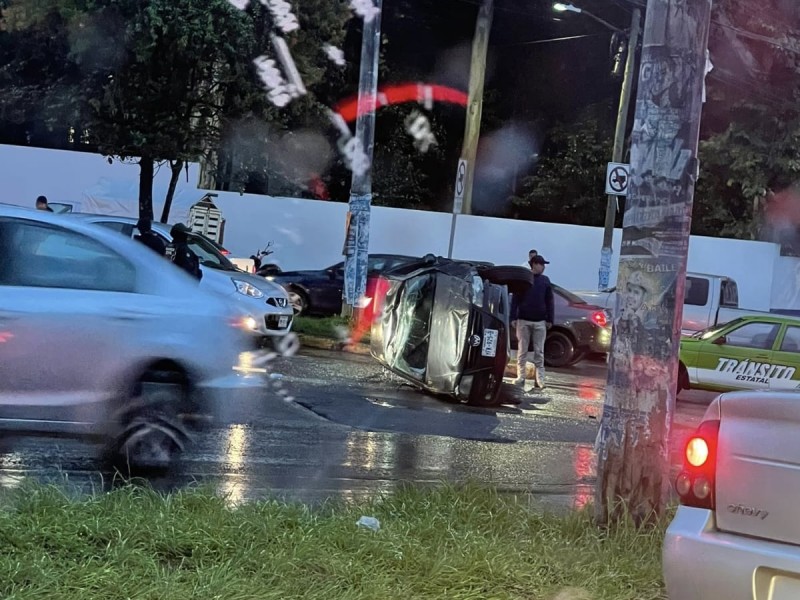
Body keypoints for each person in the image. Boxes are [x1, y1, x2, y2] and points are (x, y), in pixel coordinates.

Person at [511, 255, 554, 389]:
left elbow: (549, 301)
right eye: (541, 264)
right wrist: (513, 317)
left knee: (539, 352)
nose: (543, 267)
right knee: (522, 351)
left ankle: (540, 379)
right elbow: (515, 299)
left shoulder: (545, 281)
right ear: (534, 264)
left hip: (540, 322)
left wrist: (550, 319)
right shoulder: (525, 279)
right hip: (523, 320)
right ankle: (521, 377)